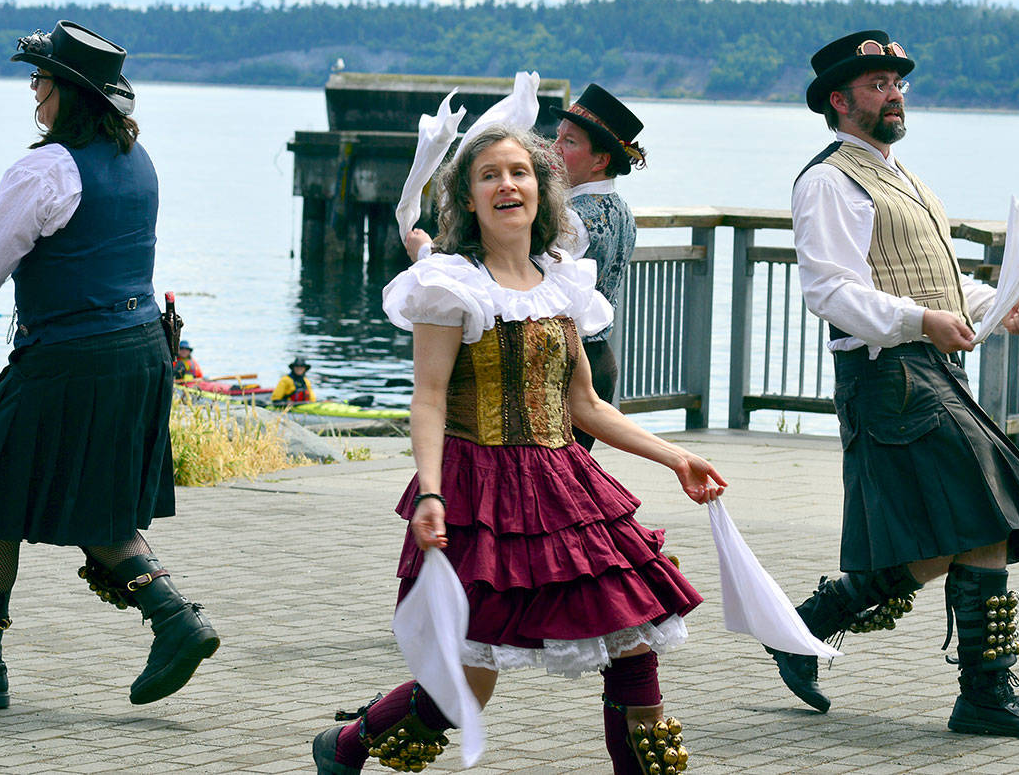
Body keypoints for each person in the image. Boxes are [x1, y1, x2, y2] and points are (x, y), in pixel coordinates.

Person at [311, 124, 726, 775]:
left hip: (567, 484)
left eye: (520, 172)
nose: (508, 183)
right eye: (490, 174)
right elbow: (429, 397)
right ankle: (347, 744)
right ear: (468, 197)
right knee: (467, 681)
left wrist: (674, 456)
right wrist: (429, 490)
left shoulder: (562, 280)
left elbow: (585, 405)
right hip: (479, 494)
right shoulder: (450, 284)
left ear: (541, 188)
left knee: (634, 635)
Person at [765, 29, 1019, 738]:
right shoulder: (828, 179)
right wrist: (921, 320)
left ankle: (811, 621)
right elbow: (831, 291)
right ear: (839, 102)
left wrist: (995, 301)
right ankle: (984, 695)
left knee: (948, 538)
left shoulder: (901, 176)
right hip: (888, 378)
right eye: (875, 85)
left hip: (927, 370)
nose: (893, 92)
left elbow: (929, 277)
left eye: (897, 82)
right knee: (988, 516)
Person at [0, 20, 219, 709]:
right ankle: (173, 620)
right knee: (87, 501)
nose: (34, 92)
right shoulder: (139, 161)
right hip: (141, 351)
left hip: (71, 359)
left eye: (39, 80)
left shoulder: (45, 168)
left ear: (62, 92)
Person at [550, 84, 644, 450]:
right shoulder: (623, 210)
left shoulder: (570, 218)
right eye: (558, 137)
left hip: (567, 366)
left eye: (569, 142)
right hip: (601, 358)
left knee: (555, 484)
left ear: (600, 159)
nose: (553, 148)